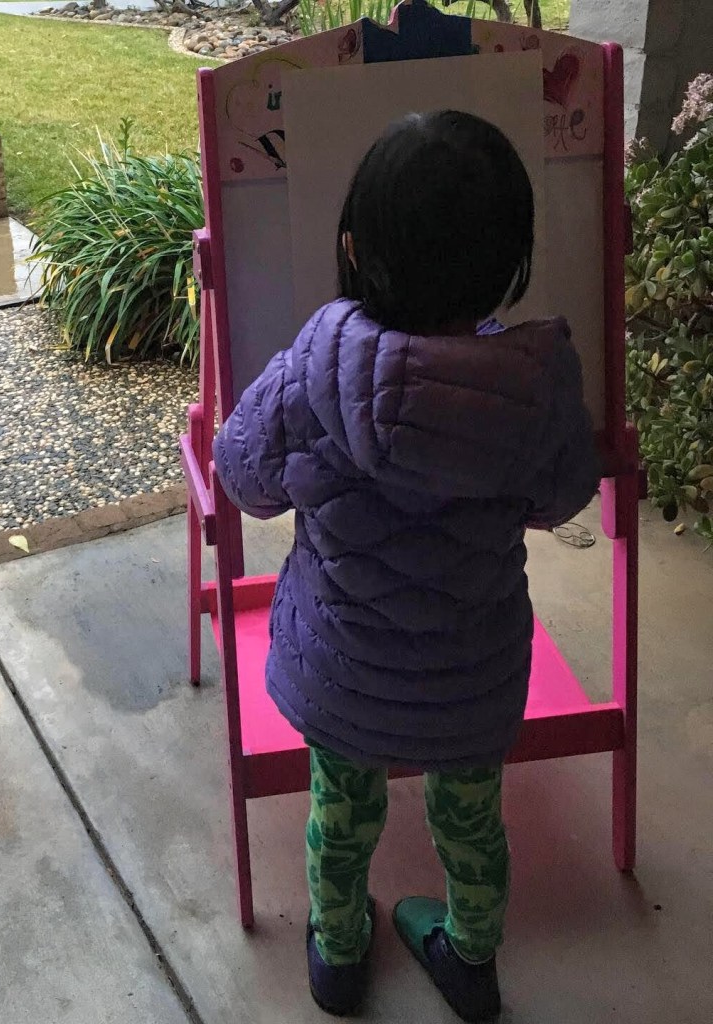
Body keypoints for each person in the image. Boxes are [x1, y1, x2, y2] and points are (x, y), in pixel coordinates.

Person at [212, 110, 599, 1021]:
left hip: (344, 673)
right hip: (474, 677)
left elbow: (242, 477)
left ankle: (339, 958)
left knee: (340, 818)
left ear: (351, 247)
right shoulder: (539, 381)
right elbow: (562, 497)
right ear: (512, 259)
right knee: (470, 822)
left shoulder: (315, 366)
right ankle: (469, 958)